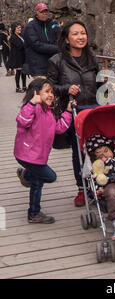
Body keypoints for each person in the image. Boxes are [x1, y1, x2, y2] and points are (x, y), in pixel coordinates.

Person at [47, 20, 101, 207]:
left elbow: (97, 82)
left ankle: (99, 186)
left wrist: (108, 86)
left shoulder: (92, 59)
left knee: (97, 149)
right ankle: (82, 189)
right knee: (79, 152)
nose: (81, 37)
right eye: (76, 34)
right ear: (67, 39)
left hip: (93, 110)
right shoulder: (57, 61)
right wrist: (67, 88)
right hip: (73, 112)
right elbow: (50, 88)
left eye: (83, 33)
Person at [14, 78, 73, 223]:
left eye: (52, 92)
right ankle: (26, 175)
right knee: (50, 177)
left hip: (38, 157)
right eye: (46, 91)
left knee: (38, 181)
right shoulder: (32, 108)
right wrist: (32, 103)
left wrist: (68, 112)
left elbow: (59, 128)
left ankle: (34, 213)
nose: (51, 94)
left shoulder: (49, 112)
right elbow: (22, 120)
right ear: (36, 93)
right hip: (26, 154)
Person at [22, 3, 60, 78]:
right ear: (37, 13)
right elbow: (37, 45)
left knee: (54, 89)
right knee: (42, 88)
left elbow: (59, 38)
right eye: (42, 12)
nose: (44, 14)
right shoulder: (30, 27)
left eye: (46, 12)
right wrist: (58, 48)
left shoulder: (51, 24)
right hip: (38, 67)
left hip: (53, 64)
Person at [7, 22, 27, 92]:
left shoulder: (21, 35)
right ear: (14, 29)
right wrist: (27, 43)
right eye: (18, 28)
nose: (20, 29)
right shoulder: (13, 37)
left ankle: (24, 86)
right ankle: (17, 87)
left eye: (20, 27)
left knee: (24, 72)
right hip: (17, 57)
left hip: (23, 56)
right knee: (18, 72)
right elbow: (20, 46)